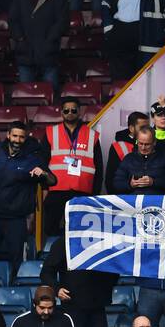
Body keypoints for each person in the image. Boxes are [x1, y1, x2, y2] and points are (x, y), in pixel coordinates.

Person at [0, 119, 55, 268]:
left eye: (21, 137)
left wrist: (44, 173)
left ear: (25, 138)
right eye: (15, 136)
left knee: (16, 261)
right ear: (8, 135)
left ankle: (14, 288)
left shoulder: (33, 158)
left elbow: (53, 181)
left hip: (16, 219)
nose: (17, 140)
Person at [42, 222, 117, 327]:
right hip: (72, 305)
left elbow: (114, 269)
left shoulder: (103, 244)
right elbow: (46, 272)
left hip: (97, 306)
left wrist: (107, 287)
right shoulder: (64, 243)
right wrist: (57, 289)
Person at [42, 95, 103, 237]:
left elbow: (99, 168)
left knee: (82, 232)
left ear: (79, 112)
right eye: (66, 111)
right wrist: (45, 189)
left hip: (83, 191)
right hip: (56, 190)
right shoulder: (51, 132)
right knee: (51, 230)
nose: (70, 113)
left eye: (73, 111)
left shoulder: (91, 135)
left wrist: (95, 193)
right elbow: (43, 163)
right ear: (61, 112)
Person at [8, 0, 69, 87]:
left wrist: (49, 41)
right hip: (25, 54)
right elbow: (13, 21)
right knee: (26, 96)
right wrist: (20, 39)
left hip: (49, 54)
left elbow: (62, 22)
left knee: (51, 97)